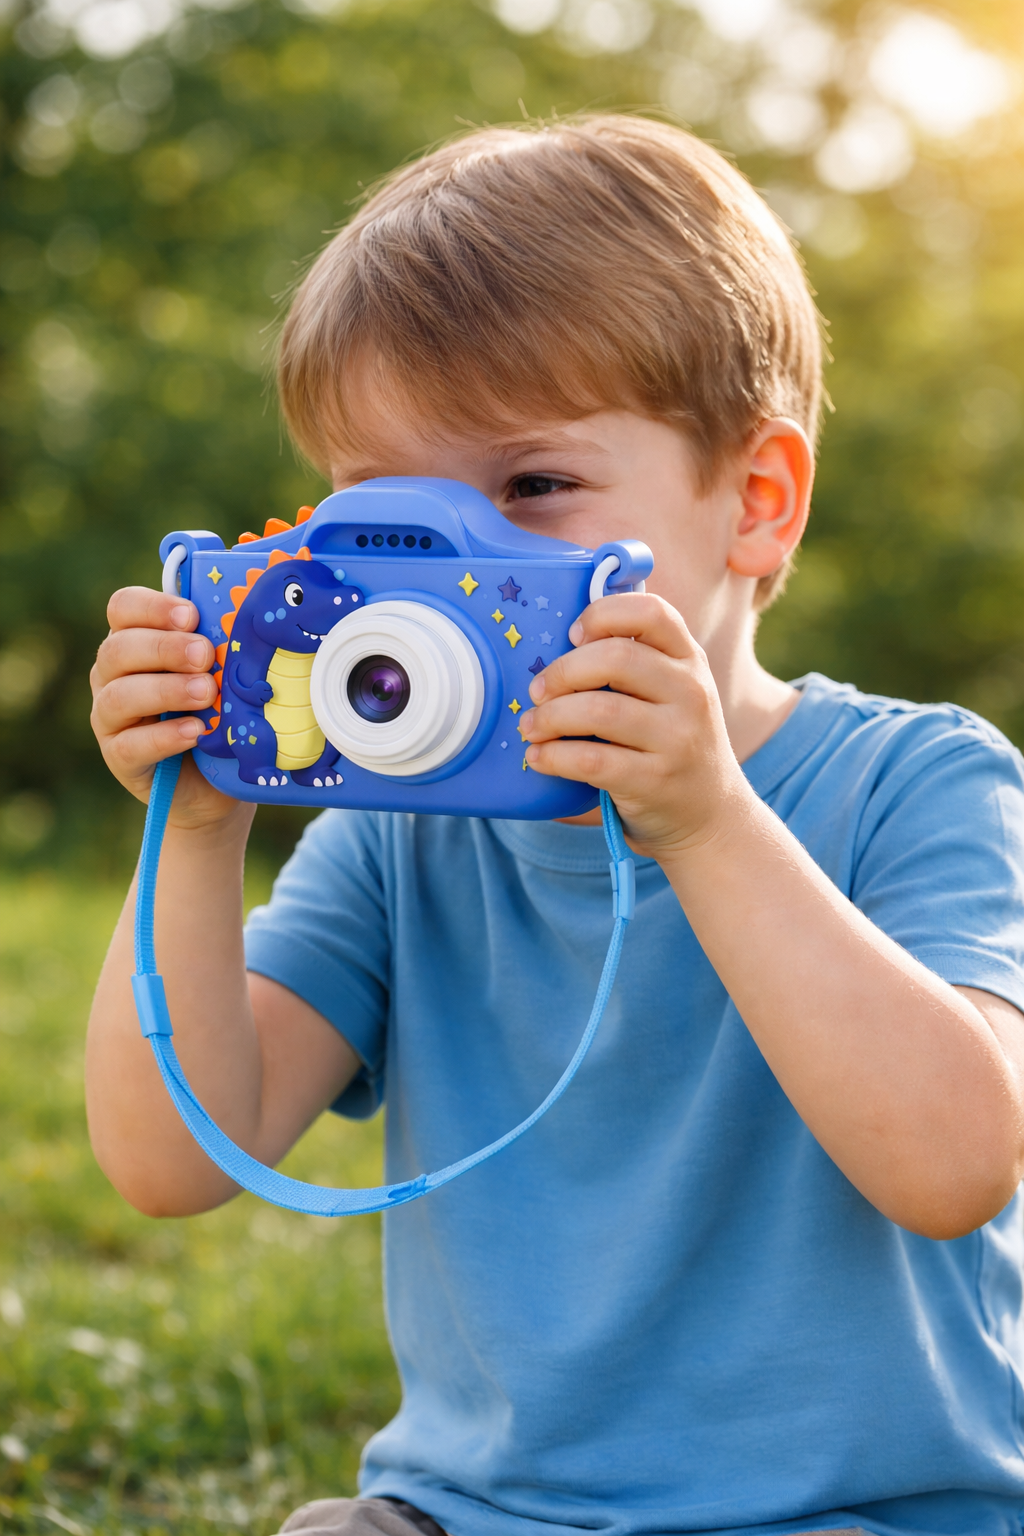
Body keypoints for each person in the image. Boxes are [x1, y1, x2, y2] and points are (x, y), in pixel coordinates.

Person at [88, 115, 1024, 1536]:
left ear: (756, 504)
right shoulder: (402, 829)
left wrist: (704, 825)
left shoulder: (917, 782)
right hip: (476, 1513)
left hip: (858, 1514)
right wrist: (198, 827)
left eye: (533, 488)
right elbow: (172, 1160)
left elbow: (952, 1168)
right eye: (380, 507)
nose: (450, 563)